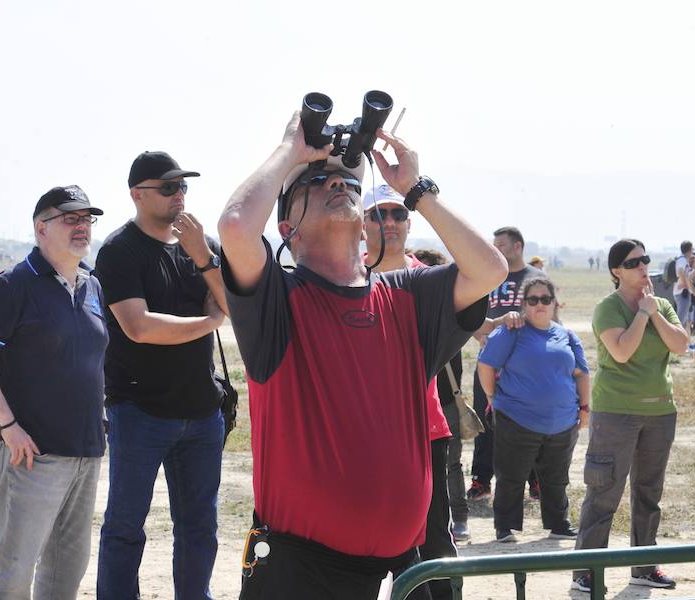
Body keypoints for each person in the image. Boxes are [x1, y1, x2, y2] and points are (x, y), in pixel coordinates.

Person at [217, 110, 506, 600]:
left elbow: (489, 270)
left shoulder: (407, 295)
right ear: (288, 227)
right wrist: (290, 150)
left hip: (403, 566)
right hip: (298, 569)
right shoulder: (276, 300)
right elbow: (235, 226)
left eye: (350, 181)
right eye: (316, 182)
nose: (338, 183)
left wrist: (415, 190)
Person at [0, 186, 107, 599]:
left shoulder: (92, 285)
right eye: (70, 218)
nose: (82, 226)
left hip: (85, 452)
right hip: (30, 454)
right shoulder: (13, 285)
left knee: (66, 571)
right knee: (14, 573)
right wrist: (8, 426)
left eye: (87, 219)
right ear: (41, 228)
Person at [95, 151, 228, 600]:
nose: (179, 195)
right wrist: (208, 322)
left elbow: (233, 306)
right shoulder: (119, 250)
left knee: (199, 527)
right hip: (140, 411)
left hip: (202, 413)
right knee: (125, 527)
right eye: (168, 187)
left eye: (183, 186)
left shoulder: (202, 246)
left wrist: (203, 257)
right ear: (137, 194)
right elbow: (140, 327)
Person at [571, 239, 688, 593]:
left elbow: (681, 345)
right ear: (616, 271)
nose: (642, 266)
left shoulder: (661, 305)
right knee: (604, 492)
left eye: (645, 260)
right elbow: (621, 351)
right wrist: (641, 314)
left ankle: (644, 567)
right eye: (633, 262)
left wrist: (654, 312)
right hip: (616, 412)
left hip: (659, 411)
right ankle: (587, 571)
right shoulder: (608, 308)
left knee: (649, 493)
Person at [362, 185, 455, 600]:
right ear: (361, 224)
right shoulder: (344, 275)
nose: (389, 222)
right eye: (378, 214)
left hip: (424, 427)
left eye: (397, 213)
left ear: (409, 222)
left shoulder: (429, 279)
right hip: (361, 431)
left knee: (433, 541)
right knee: (360, 538)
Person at [477, 276, 589, 543]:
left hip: (563, 422)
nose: (540, 304)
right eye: (533, 299)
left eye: (546, 299)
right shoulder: (511, 331)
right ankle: (505, 527)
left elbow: (581, 374)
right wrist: (493, 396)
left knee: (557, 477)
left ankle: (559, 524)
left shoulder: (567, 335)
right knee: (511, 475)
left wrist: (585, 407)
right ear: (524, 304)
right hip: (516, 418)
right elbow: (486, 364)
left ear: (555, 303)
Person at [467, 226, 544, 502]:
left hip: (525, 363)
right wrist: (482, 337)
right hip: (490, 362)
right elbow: (472, 318)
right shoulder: (488, 277)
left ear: (517, 247)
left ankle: (536, 479)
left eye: (500, 245)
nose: (495, 250)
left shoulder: (536, 278)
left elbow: (550, 318)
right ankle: (481, 479)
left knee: (530, 421)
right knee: (485, 420)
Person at [414, 249, 470, 544]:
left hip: (444, 405)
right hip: (412, 406)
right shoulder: (407, 310)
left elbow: (482, 324)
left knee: (451, 466)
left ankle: (459, 518)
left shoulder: (450, 315)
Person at [672, 240, 695, 326]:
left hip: (681, 292)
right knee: (680, 319)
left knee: (683, 318)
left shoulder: (683, 259)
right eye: (692, 249)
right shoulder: (682, 260)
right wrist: (685, 284)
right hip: (682, 293)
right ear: (689, 250)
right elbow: (680, 271)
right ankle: (675, 333)